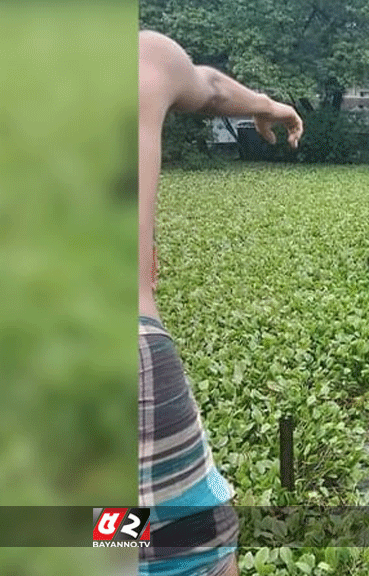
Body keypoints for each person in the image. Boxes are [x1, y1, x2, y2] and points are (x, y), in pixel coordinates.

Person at [139, 30, 303, 576]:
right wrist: (271, 106)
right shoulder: (142, 58)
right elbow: (206, 84)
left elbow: (208, 82)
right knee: (186, 547)